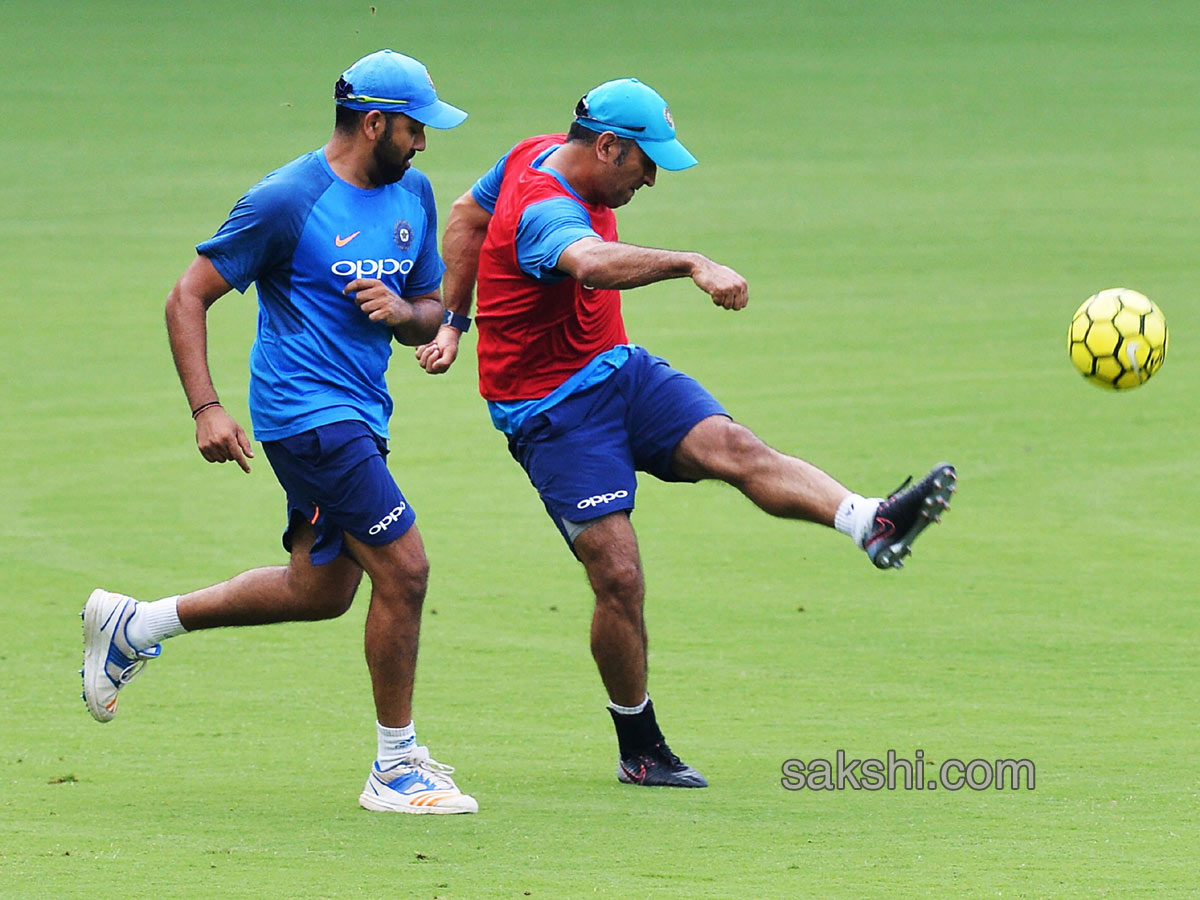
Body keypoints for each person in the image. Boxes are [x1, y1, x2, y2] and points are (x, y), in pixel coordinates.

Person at [415, 78, 957, 788]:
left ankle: (871, 523)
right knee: (619, 576)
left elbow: (464, 213)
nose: (651, 178)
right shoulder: (545, 208)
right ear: (607, 146)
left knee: (737, 448)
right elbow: (592, 263)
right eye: (645, 162)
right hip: (549, 411)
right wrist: (691, 262)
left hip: (618, 370)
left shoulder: (532, 152)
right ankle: (639, 746)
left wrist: (454, 322)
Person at [81, 50, 478, 814]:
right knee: (407, 570)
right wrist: (207, 408)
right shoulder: (288, 199)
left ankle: (135, 625)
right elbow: (187, 296)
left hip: (362, 414)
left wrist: (406, 317)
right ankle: (395, 766)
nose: (425, 143)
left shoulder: (414, 194)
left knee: (321, 590)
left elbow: (429, 305)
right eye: (415, 128)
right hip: (308, 419)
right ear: (374, 123)